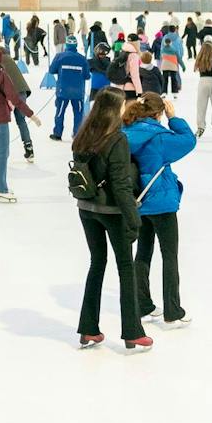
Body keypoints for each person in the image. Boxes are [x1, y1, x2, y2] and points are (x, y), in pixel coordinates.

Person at [71, 88, 149, 352]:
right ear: (115, 109)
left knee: (97, 263)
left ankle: (89, 328)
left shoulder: (82, 136)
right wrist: (134, 219)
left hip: (86, 208)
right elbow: (121, 185)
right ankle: (133, 332)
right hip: (111, 211)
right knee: (126, 268)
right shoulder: (117, 139)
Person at [123, 93, 197, 328]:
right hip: (162, 202)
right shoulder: (160, 137)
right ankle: (173, 310)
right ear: (159, 113)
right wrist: (174, 118)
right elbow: (188, 141)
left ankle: (143, 304)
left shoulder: (125, 132)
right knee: (169, 256)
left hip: (139, 199)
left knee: (142, 253)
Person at [0, 47, 40, 202]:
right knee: (3, 153)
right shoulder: (2, 75)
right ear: (0, 60)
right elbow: (15, 99)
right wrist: (31, 114)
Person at [47, 36, 90, 141]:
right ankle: (77, 134)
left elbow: (52, 70)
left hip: (63, 91)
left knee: (60, 112)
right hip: (78, 92)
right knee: (78, 114)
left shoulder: (59, 56)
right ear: (76, 45)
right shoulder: (82, 58)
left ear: (66, 45)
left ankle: (57, 133)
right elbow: (87, 76)